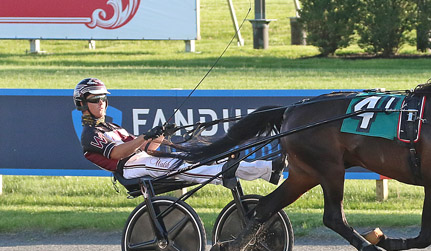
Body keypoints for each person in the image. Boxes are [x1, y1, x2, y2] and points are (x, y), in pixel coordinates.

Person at [75, 78, 283, 186]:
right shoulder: (89, 135)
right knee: (185, 166)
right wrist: (144, 137)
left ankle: (265, 169)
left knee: (203, 158)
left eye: (103, 98)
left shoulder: (112, 127)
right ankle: (255, 170)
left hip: (145, 160)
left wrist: (160, 136)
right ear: (82, 103)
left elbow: (148, 148)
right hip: (131, 168)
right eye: (95, 99)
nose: (101, 103)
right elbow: (118, 154)